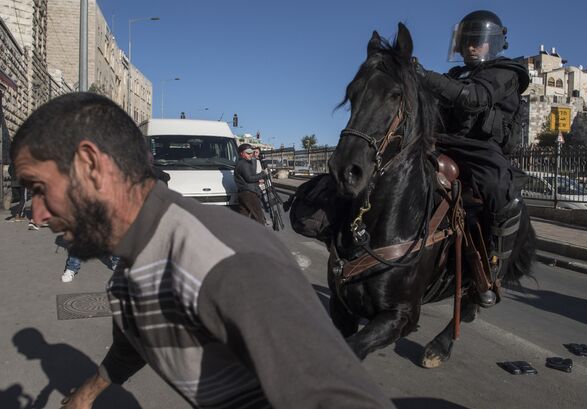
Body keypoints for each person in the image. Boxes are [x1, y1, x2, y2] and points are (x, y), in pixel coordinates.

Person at [11, 93, 394, 409]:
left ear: (91, 164)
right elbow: (138, 335)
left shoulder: (224, 265)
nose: (39, 215)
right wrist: (87, 394)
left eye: (40, 188)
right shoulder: (131, 267)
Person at [415, 10, 530, 307]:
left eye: (476, 41)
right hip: (445, 141)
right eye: (466, 41)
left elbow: (474, 98)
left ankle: (494, 265)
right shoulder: (455, 75)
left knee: (497, 186)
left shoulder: (508, 72)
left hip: (481, 148)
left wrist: (425, 76)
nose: (470, 47)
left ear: (492, 43)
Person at [234, 143, 267, 225]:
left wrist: (257, 180)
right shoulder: (244, 164)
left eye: (251, 153)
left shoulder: (241, 163)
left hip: (244, 193)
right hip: (249, 193)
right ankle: (261, 235)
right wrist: (263, 174)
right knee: (259, 217)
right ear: (241, 153)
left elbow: (248, 177)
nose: (250, 155)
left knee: (243, 216)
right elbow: (249, 178)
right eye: (248, 153)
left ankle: (243, 235)